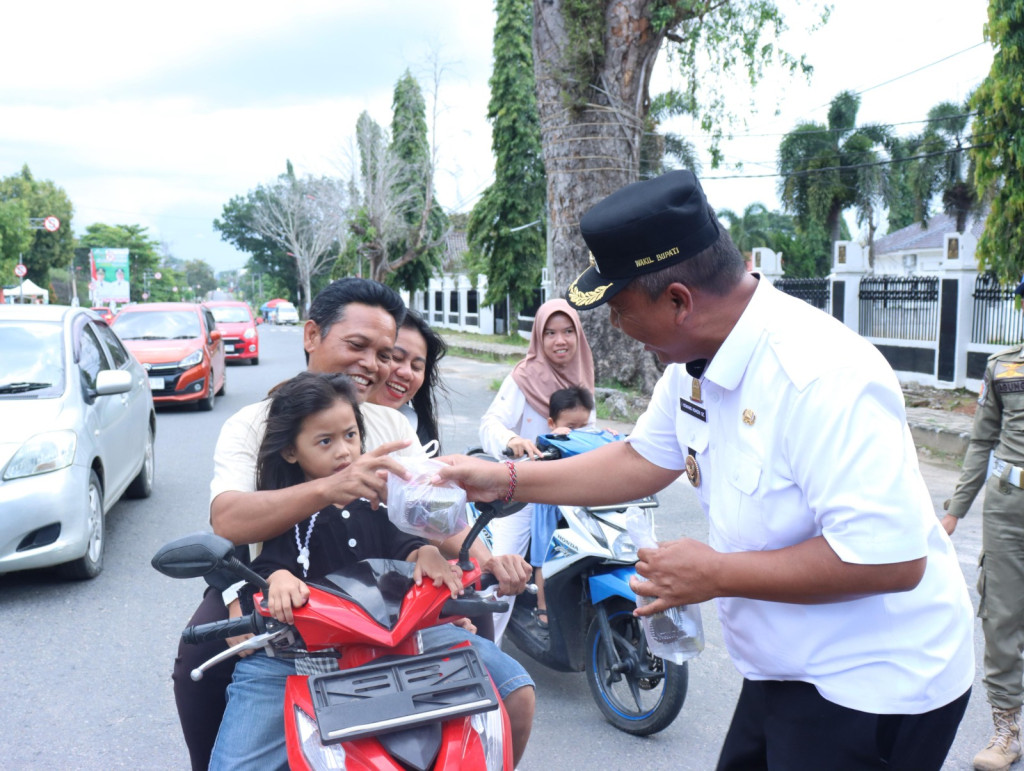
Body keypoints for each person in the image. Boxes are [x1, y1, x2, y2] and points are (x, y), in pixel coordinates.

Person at [436, 169, 976, 770]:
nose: (613, 327)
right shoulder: (695, 362)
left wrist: (716, 572)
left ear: (678, 301)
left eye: (619, 309)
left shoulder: (822, 377)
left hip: (872, 682)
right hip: (784, 665)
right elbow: (640, 458)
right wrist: (506, 479)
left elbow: (891, 561)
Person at [172, 277, 533, 770]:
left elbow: (427, 522)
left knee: (505, 678)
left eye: (384, 353)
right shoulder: (254, 423)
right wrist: (329, 490)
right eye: (357, 346)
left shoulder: (390, 425)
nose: (373, 364)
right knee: (199, 664)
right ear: (312, 335)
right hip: (279, 601)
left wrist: (483, 560)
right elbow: (231, 523)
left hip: (386, 608)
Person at [941, 275, 1024, 771]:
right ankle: (1006, 730)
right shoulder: (1004, 367)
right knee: (1001, 615)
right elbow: (981, 442)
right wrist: (955, 510)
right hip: (1008, 507)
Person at [478, 297, 596, 642]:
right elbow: (490, 423)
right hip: (524, 486)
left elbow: (589, 432)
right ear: (538, 337)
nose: (561, 340)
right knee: (504, 574)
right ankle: (486, 652)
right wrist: (512, 439)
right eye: (551, 333)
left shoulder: (583, 373)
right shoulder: (524, 377)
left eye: (568, 331)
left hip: (571, 486)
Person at [529, 386, 596, 628]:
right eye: (571, 426)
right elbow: (535, 459)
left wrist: (607, 437)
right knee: (544, 558)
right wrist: (555, 439)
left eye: (583, 426)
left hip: (576, 508)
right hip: (549, 508)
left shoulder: (588, 443)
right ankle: (543, 607)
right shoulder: (547, 443)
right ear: (552, 423)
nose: (576, 432)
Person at [369, 308, 449, 449]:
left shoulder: (415, 429)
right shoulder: (332, 421)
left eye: (416, 367)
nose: (406, 373)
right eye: (396, 357)